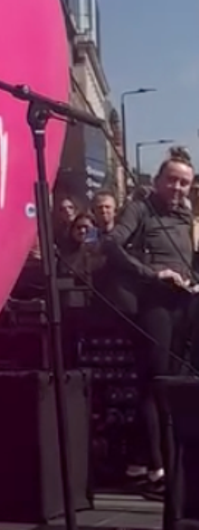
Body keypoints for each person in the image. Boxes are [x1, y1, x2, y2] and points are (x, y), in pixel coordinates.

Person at [103, 146, 199, 495]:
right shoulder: (141, 209)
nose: (177, 188)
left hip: (185, 303)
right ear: (158, 180)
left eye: (184, 183)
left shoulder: (186, 217)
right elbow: (111, 245)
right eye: (171, 180)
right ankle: (157, 467)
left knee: (179, 385)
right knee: (156, 383)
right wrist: (153, 274)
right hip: (155, 304)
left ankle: (170, 463)